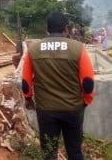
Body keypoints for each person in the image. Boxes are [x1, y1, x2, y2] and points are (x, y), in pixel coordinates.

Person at [22, 12, 95, 160]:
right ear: (66, 28)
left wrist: (28, 98)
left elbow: (25, 81)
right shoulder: (78, 48)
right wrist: (86, 101)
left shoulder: (34, 49)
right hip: (73, 108)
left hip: (46, 110)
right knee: (75, 152)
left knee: (49, 152)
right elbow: (88, 82)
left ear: (46, 29)